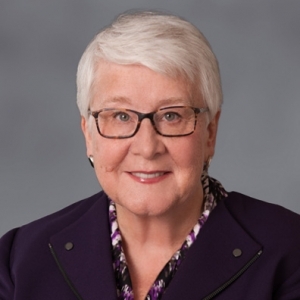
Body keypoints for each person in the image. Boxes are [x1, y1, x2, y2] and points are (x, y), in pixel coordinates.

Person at [1, 11, 300, 300]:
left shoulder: (289, 251)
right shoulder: (19, 258)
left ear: (210, 133)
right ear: (89, 135)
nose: (147, 147)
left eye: (171, 115)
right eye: (120, 116)